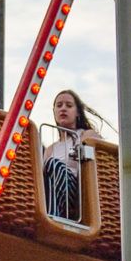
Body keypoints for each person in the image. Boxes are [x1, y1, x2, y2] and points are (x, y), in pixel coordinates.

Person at [42, 88, 92, 222]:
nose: (63, 109)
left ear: (77, 113)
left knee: (53, 164)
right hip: (53, 192)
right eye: (59, 106)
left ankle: (53, 219)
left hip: (76, 192)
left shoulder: (85, 135)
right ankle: (46, 214)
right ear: (54, 112)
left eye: (69, 106)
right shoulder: (50, 149)